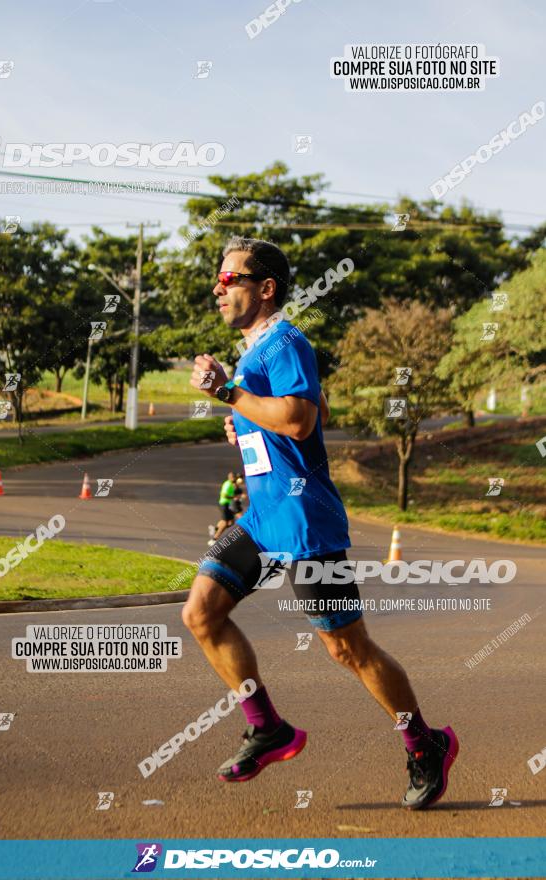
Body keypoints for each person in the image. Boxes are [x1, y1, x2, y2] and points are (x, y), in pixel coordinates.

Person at [184, 236, 458, 809]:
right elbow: (316, 406)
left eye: (230, 279)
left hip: (306, 524)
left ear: (266, 289)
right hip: (263, 518)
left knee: (348, 650)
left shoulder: (285, 340)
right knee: (201, 613)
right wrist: (244, 418)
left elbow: (304, 420)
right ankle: (268, 729)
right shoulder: (261, 349)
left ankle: (425, 741)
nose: (218, 288)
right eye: (219, 278)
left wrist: (229, 393)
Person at [210, 472, 235, 544]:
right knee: (225, 522)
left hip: (227, 504)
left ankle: (215, 528)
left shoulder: (230, 483)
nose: (234, 479)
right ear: (230, 477)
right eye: (233, 477)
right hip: (224, 504)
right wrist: (233, 497)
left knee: (231, 522)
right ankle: (214, 539)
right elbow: (224, 494)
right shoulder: (228, 484)